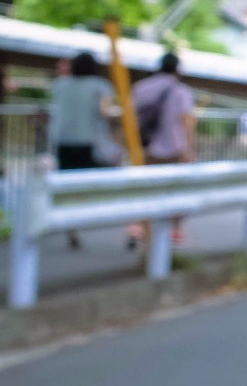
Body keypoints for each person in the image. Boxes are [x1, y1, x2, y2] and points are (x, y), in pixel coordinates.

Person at [47, 52, 115, 249]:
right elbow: (104, 112)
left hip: (63, 141)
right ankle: (78, 220)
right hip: (89, 142)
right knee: (86, 184)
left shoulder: (60, 85)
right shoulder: (101, 86)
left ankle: (70, 225)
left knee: (67, 182)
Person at [130, 52, 197, 246]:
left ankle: (137, 228)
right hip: (175, 148)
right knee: (178, 191)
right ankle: (175, 231)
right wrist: (189, 150)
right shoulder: (181, 91)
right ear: (178, 69)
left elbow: (131, 118)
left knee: (145, 190)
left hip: (146, 149)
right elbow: (185, 121)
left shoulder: (141, 88)